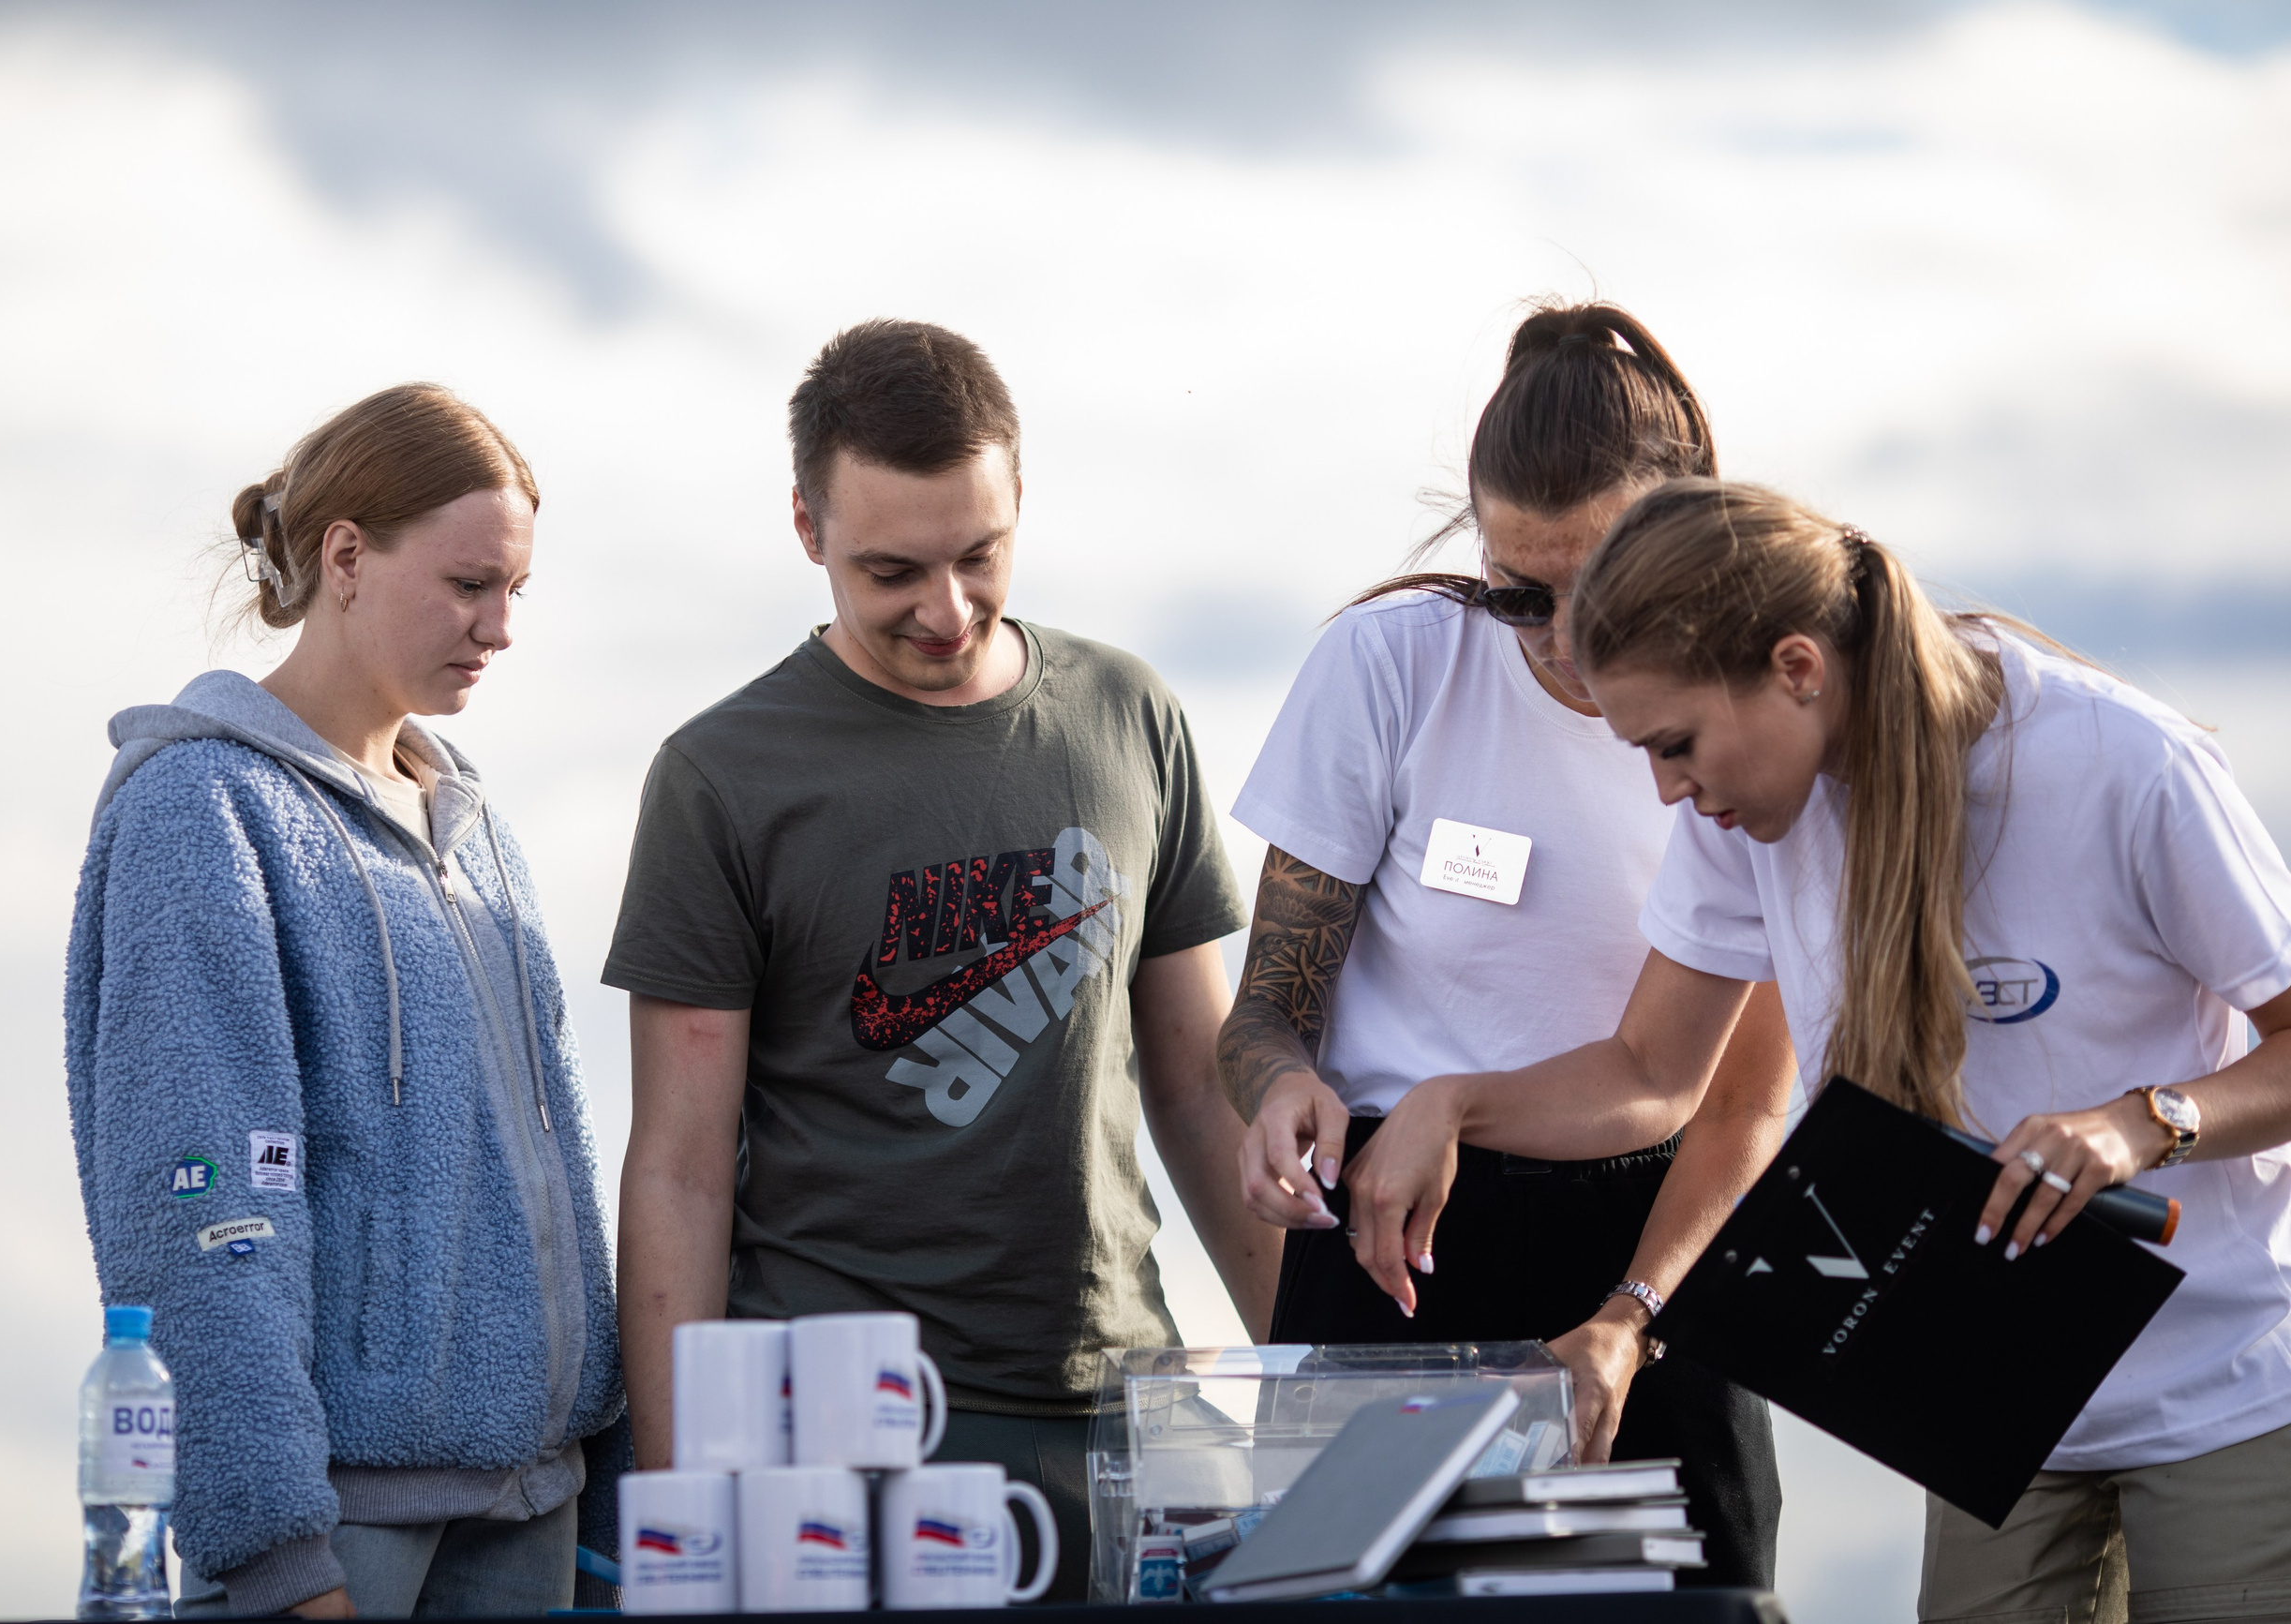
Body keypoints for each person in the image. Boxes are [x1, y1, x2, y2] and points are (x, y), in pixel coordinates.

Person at [1356, 476, 2291, 1622]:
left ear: (1798, 667)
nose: (1666, 787)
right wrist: (1450, 1102)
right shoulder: (1738, 818)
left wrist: (2144, 1121)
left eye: (1676, 743)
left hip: (2226, 1391)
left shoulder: (2121, 764)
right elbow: (1652, 1075)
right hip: (1995, 1408)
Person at [605, 319, 1278, 1602]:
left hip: (1131, 1416)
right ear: (806, 529)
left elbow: (1200, 1092)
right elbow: (680, 1170)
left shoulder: (1129, 712)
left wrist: (1327, 1373)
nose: (947, 608)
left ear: (1022, 492)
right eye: (892, 571)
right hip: (853, 1448)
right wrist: (680, 1521)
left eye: (980, 555)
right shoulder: (721, 777)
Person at [1219, 303, 1795, 1589]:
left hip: (1649, 1250)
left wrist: (1629, 1319)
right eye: (1512, 588)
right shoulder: (1388, 664)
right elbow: (1265, 1011)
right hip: (1391, 1238)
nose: (1554, 630)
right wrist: (1279, 1093)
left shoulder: (1752, 716)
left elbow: (1744, 1099)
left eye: (1594, 585)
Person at [65, 385, 625, 1619]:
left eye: (515, 592)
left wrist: (608, 1485)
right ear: (349, 555)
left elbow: (561, 1171)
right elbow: (198, 1199)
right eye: (470, 584)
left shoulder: (477, 829)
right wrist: (273, 1547)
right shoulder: (201, 808)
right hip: (337, 1541)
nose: (499, 627)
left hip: (534, 1515)